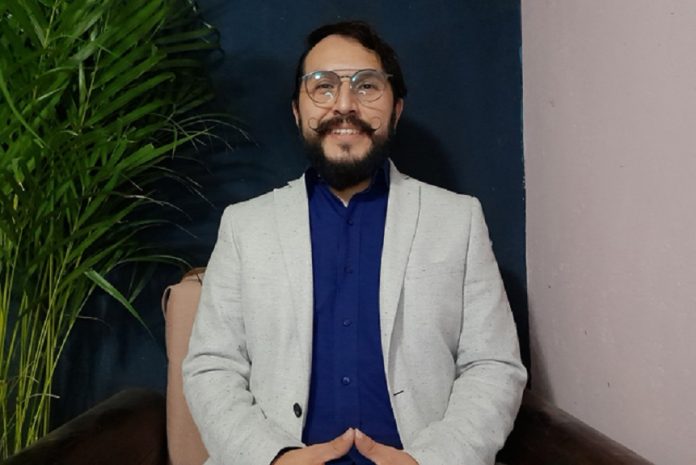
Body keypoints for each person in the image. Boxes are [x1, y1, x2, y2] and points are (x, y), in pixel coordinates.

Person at [183, 20, 527, 465]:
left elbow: (493, 366)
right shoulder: (244, 226)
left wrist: (431, 460)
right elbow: (212, 366)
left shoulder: (457, 221)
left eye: (367, 86)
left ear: (396, 109)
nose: (344, 105)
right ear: (297, 111)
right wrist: (272, 458)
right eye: (322, 86)